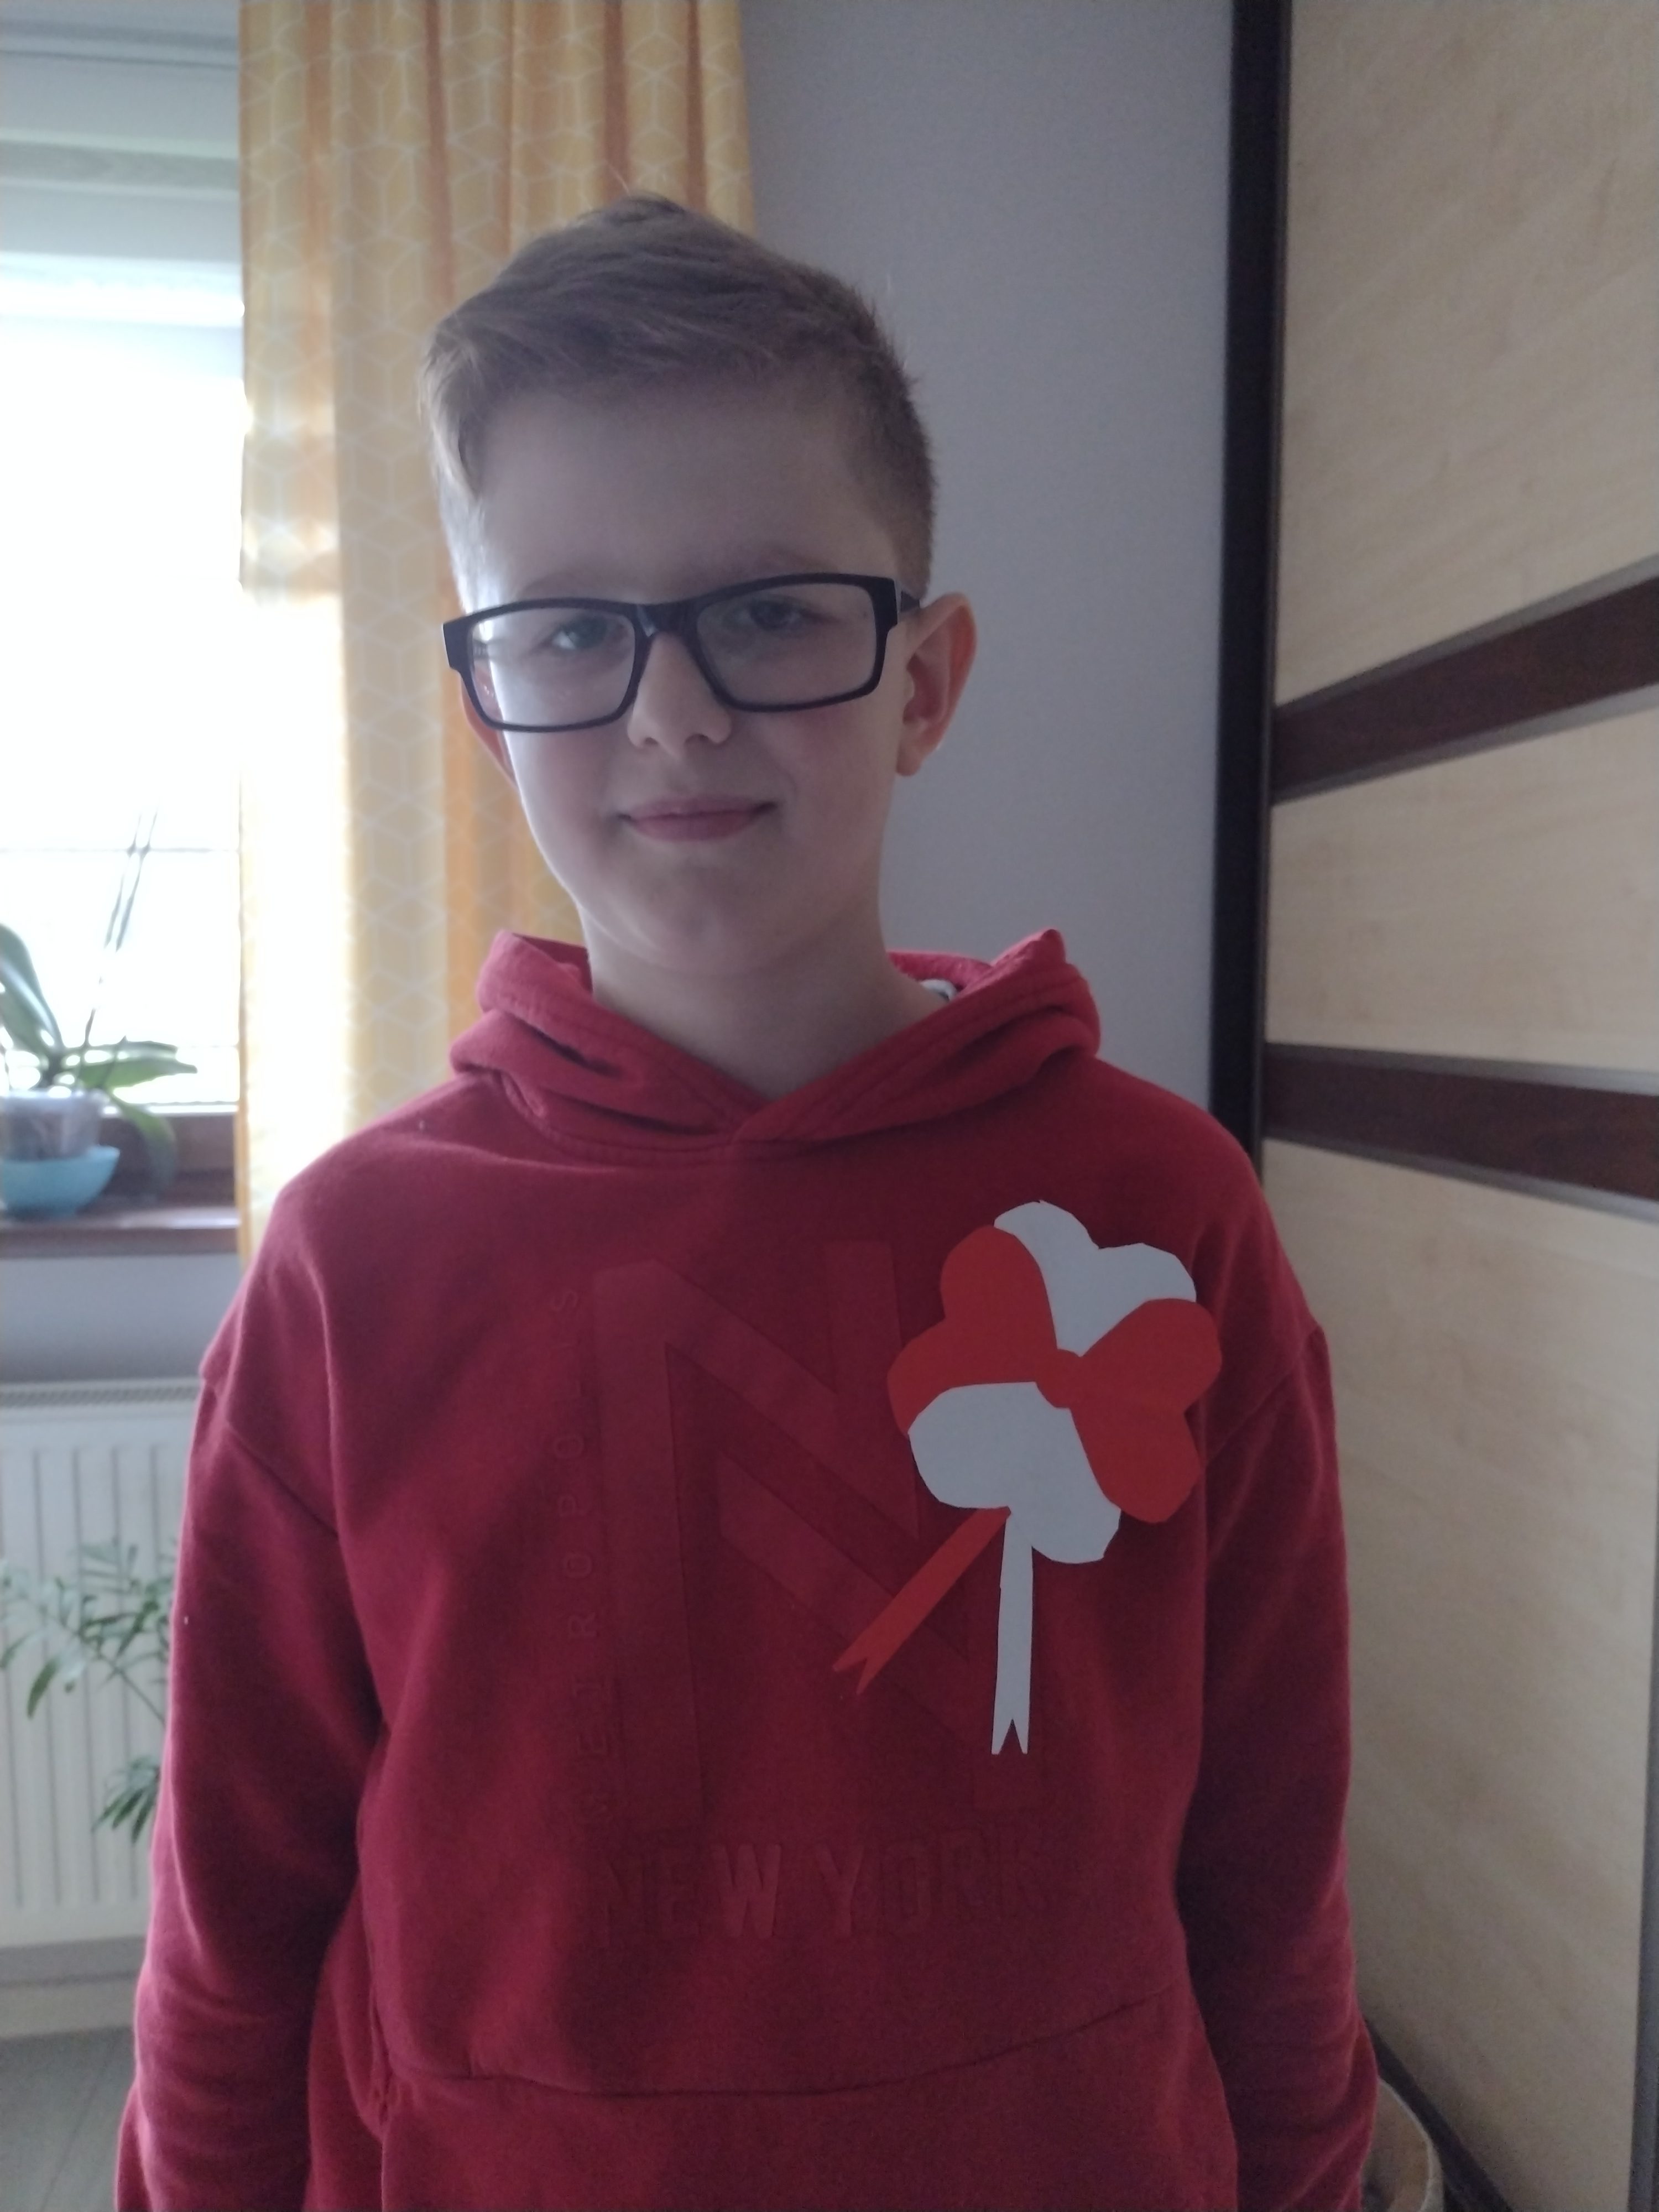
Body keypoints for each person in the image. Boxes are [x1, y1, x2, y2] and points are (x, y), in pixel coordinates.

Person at [118, 196, 1376, 2211]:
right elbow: (236, 1913)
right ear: (485, 704)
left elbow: (1270, 1843)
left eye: (772, 613)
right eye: (569, 633)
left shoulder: (1165, 1211)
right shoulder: (358, 1263)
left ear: (925, 681)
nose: (673, 714)